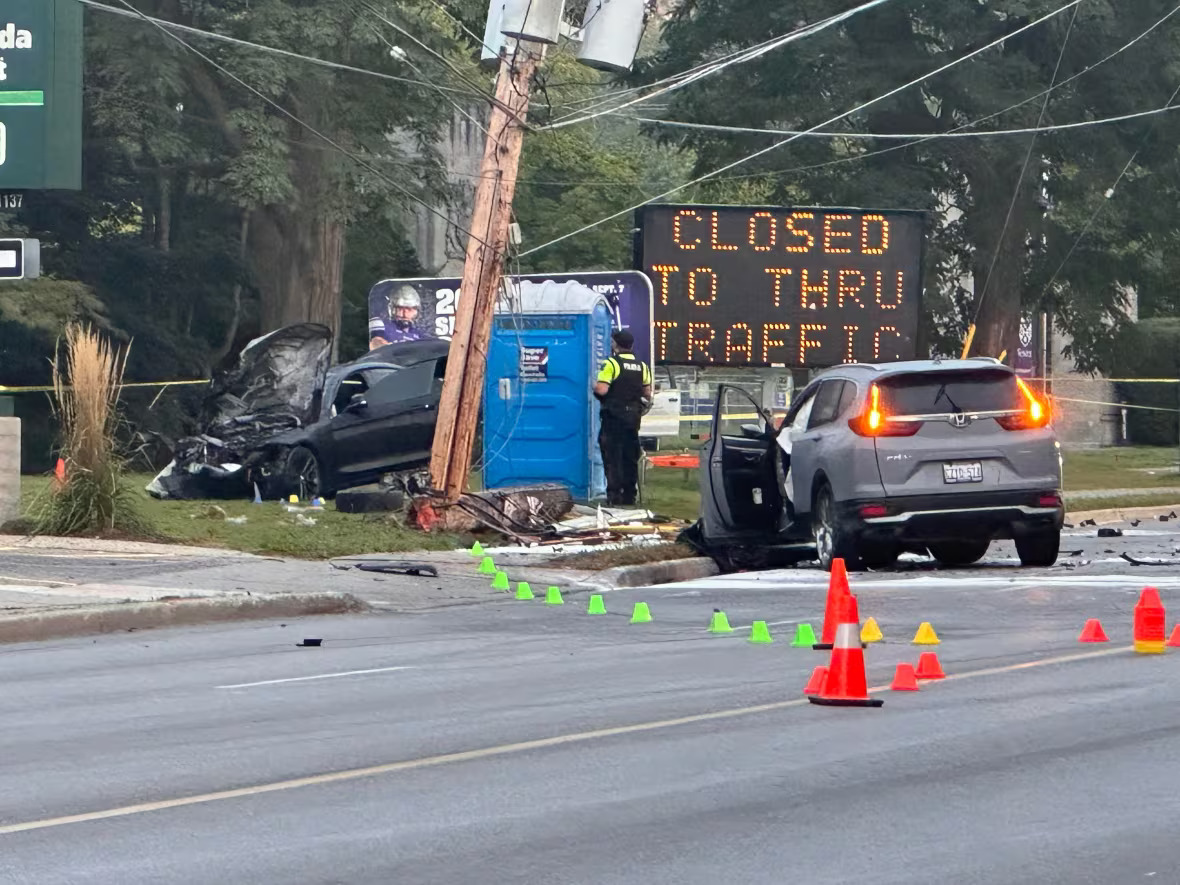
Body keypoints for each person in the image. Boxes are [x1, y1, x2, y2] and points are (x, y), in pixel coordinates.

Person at [594, 329, 652, 506]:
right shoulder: (642, 366)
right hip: (633, 418)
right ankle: (629, 495)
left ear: (615, 345)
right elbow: (647, 393)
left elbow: (602, 390)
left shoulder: (611, 364)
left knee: (612, 456)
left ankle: (614, 495)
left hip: (613, 417)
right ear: (632, 345)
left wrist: (593, 386)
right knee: (629, 456)